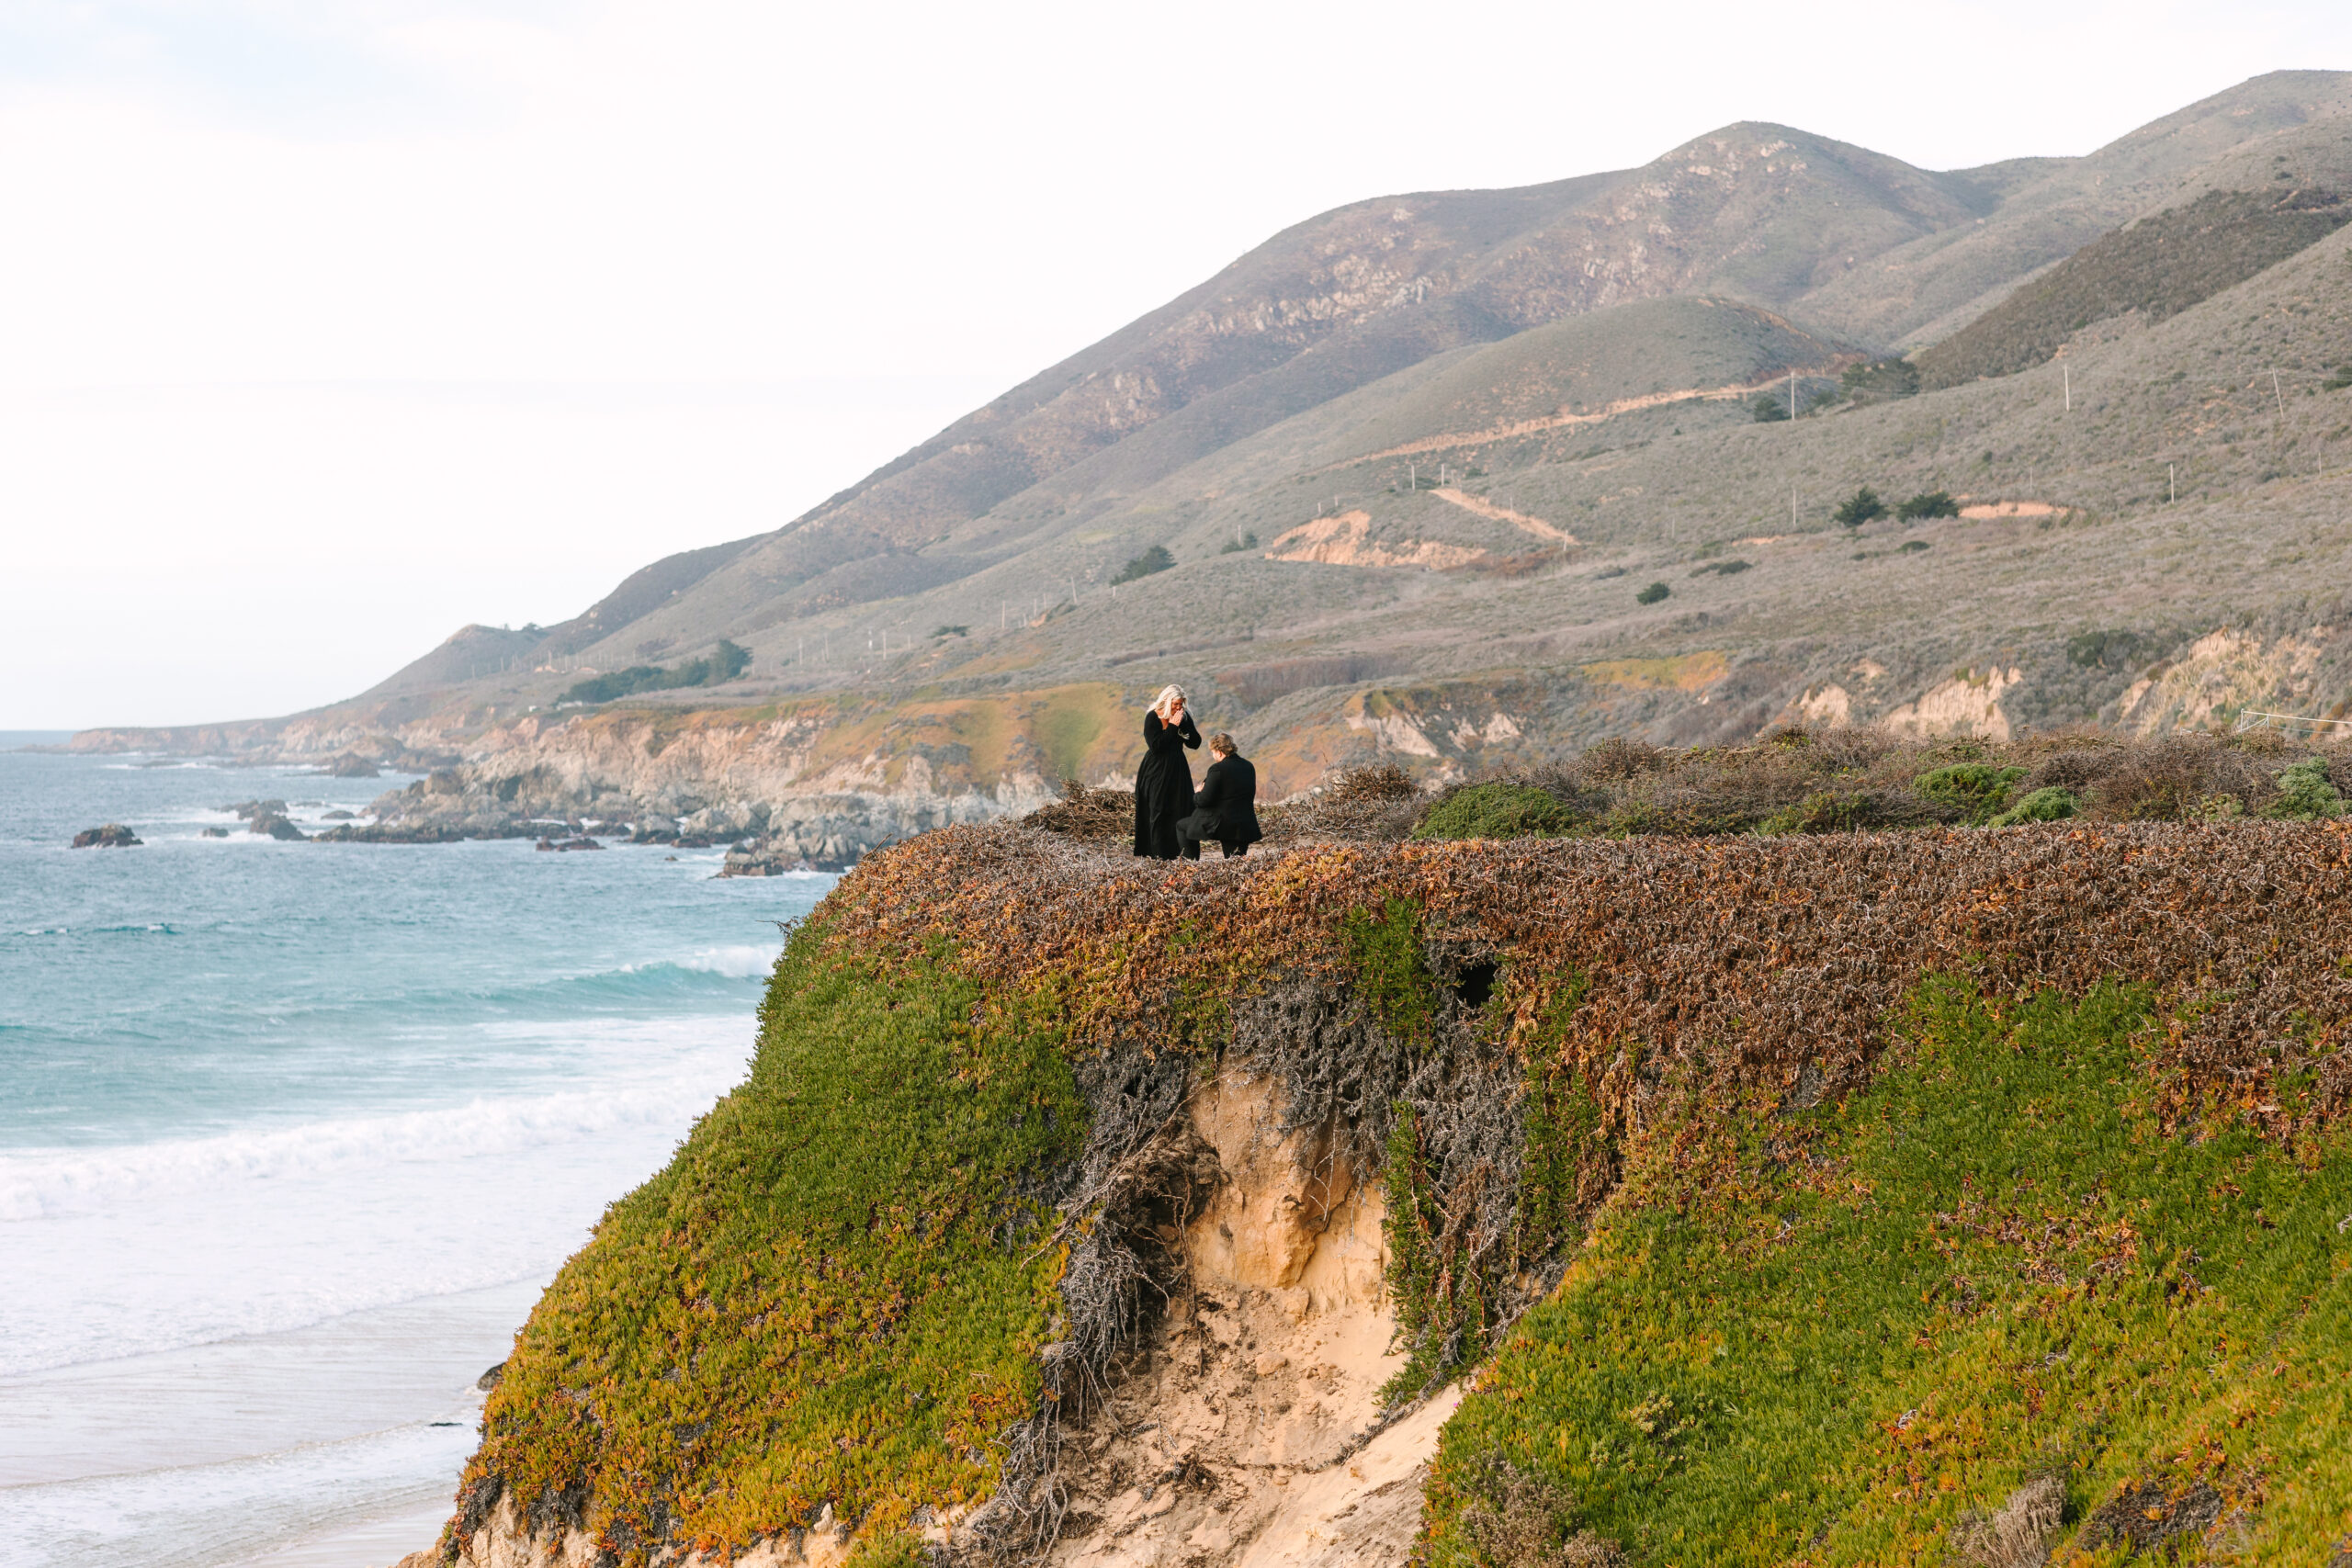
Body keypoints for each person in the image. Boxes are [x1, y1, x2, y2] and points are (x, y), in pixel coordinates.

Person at [1132, 684, 1202, 860]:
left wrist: (1186, 727)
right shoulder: (1152, 717)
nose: (1179, 708)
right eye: (1176, 704)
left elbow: (1195, 743)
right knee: (1158, 810)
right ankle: (1158, 854)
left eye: (1182, 704)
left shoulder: (1183, 716)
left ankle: (1183, 853)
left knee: (1183, 807)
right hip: (1155, 770)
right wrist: (1172, 726)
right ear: (1167, 701)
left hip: (1177, 769)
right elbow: (1156, 746)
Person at [1179, 734, 1261, 858]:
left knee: (1181, 826)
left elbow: (1203, 801)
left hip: (1223, 824)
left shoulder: (1217, 769)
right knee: (1236, 862)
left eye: (1213, 752)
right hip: (1245, 823)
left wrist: (1198, 793)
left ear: (1219, 752)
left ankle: (1190, 865)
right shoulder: (1248, 766)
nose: (1213, 756)